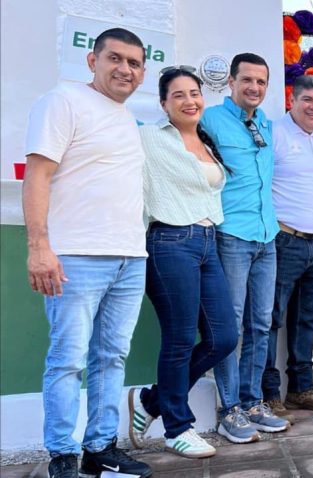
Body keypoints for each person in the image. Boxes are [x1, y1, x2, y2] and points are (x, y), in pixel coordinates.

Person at [23, 28, 153, 478]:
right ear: (92, 61)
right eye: (115, 58)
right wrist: (39, 247)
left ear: (142, 73)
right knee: (68, 360)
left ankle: (100, 448)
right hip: (76, 257)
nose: (125, 69)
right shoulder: (63, 101)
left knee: (111, 358)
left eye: (134, 63)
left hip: (130, 257)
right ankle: (63, 455)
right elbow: (37, 175)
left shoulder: (126, 117)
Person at [125, 66, 238, 458]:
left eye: (194, 93)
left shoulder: (205, 139)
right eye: (178, 95)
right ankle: (177, 428)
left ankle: (152, 401)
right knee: (178, 339)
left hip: (208, 242)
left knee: (224, 338)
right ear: (163, 104)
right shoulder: (149, 137)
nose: (189, 101)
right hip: (169, 242)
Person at [200, 53, 289, 443]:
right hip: (232, 235)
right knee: (231, 326)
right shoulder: (210, 119)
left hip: (267, 236)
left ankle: (253, 402)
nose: (254, 87)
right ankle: (229, 409)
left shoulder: (265, 123)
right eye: (247, 80)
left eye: (261, 82)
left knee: (260, 324)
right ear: (231, 82)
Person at [267, 75, 313, 411]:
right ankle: (269, 393)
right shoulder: (274, 134)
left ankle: (301, 388)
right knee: (271, 319)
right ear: (291, 101)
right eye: (307, 100)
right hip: (284, 241)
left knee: (307, 319)